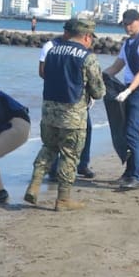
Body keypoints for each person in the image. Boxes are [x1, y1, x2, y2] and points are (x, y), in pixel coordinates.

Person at [24, 19, 105, 210]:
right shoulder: (87, 57)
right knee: (70, 156)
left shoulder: (52, 51)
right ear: (86, 36)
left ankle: (34, 186)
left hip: (49, 112)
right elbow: (98, 92)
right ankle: (63, 199)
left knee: (48, 148)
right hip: (73, 115)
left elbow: (44, 74)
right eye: (91, 37)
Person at [103, 9, 139, 190]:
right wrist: (99, 76)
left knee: (132, 130)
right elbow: (116, 67)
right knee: (124, 129)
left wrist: (129, 91)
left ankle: (137, 176)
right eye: (124, 24)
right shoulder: (127, 44)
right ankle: (128, 173)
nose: (127, 27)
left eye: (130, 23)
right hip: (129, 88)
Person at [40, 23, 95, 179]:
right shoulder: (50, 46)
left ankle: (83, 164)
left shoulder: (81, 48)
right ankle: (54, 169)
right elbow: (42, 71)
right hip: (58, 98)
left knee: (86, 129)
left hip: (78, 97)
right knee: (56, 135)